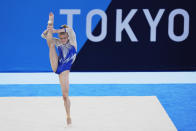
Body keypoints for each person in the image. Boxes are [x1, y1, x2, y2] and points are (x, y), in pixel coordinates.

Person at [41, 12, 77, 126]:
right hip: (57, 64)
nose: (62, 40)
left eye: (63, 37)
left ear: (67, 36)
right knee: (51, 44)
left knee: (65, 96)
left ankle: (68, 116)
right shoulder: (58, 42)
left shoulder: (73, 41)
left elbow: (70, 30)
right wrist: (49, 29)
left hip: (65, 69)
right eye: (60, 38)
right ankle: (50, 21)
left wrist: (55, 30)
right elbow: (44, 36)